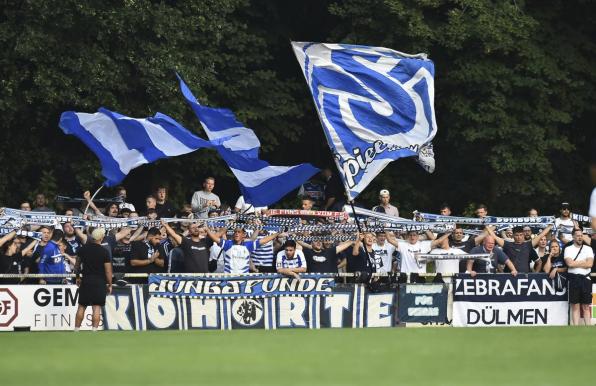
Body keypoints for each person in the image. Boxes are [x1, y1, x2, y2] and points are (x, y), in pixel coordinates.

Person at [74, 228, 112, 332]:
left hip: (85, 280)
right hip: (99, 282)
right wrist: (110, 284)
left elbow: (76, 266)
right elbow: (108, 271)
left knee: (81, 306)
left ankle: (76, 329)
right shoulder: (104, 251)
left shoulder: (82, 249)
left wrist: (77, 277)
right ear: (101, 238)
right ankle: (94, 330)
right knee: (96, 307)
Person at [205, 227, 282, 274]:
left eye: (239, 232)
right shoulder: (227, 244)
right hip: (229, 278)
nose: (236, 234)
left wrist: (277, 233)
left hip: (243, 279)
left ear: (243, 234)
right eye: (235, 232)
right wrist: (208, 231)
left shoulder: (248, 245)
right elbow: (215, 238)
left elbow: (264, 240)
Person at [385, 230, 450, 282]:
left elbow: (438, 241)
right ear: (407, 236)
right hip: (406, 276)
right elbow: (389, 240)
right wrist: (386, 229)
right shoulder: (403, 245)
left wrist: (449, 233)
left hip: (420, 276)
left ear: (418, 236)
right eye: (410, 235)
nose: (412, 237)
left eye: (414, 235)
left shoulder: (424, 245)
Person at [487, 225, 552, 273]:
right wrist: (486, 226)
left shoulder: (528, 245)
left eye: (521, 235)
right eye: (517, 235)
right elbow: (494, 237)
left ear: (523, 235)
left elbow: (541, 235)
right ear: (513, 236)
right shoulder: (508, 245)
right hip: (509, 276)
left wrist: (550, 226)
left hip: (525, 277)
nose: (519, 237)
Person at [564, 228, 594, 326]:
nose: (580, 237)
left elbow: (589, 264)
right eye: (577, 235)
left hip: (585, 279)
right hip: (573, 279)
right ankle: (575, 329)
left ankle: (588, 329)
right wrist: (583, 262)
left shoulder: (588, 248)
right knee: (575, 306)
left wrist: (575, 262)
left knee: (586, 307)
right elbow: (570, 264)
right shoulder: (568, 249)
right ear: (573, 237)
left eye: (581, 235)